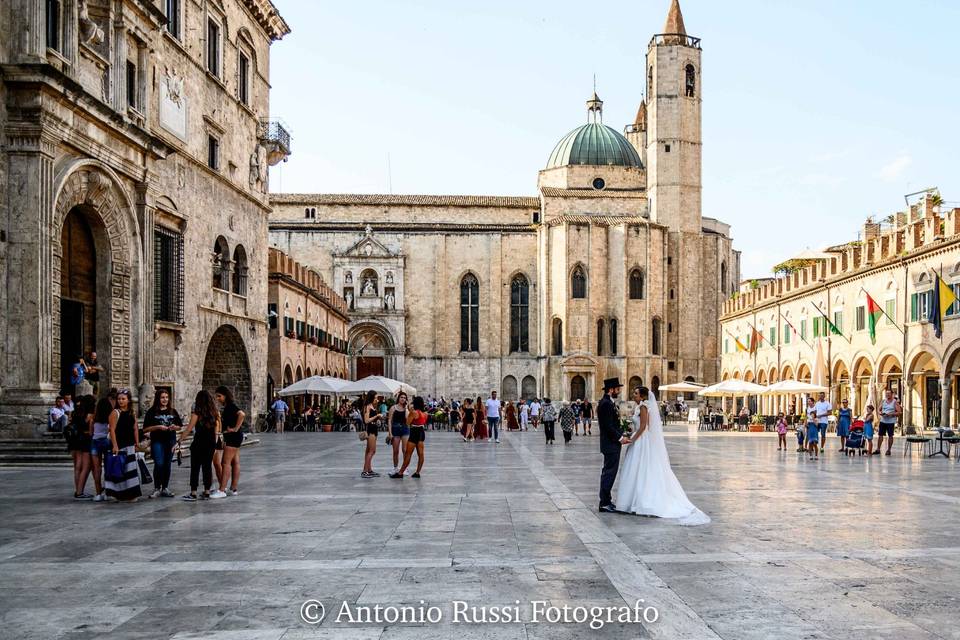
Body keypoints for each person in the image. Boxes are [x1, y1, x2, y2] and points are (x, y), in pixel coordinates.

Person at [616, 387, 710, 525]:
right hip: (640, 439)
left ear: (642, 396)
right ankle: (634, 500)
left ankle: (640, 501)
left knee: (640, 468)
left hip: (642, 441)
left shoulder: (643, 407)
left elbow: (643, 427)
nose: (633, 395)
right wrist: (630, 432)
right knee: (638, 469)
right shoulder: (639, 407)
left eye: (636, 393)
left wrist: (632, 439)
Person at [179, 390, 221, 501]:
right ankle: (207, 491)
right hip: (210, 443)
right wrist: (214, 443)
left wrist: (180, 440)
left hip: (199, 442)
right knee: (207, 467)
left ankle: (193, 492)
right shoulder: (214, 413)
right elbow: (217, 430)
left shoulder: (197, 413)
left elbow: (189, 428)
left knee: (195, 467)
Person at [142, 388, 182, 499]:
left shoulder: (173, 411)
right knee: (159, 463)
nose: (165, 400)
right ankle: (156, 487)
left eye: (166, 397)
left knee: (167, 464)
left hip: (170, 440)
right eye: (162, 397)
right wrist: (157, 427)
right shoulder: (152, 411)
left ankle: (165, 487)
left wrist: (175, 427)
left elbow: (180, 426)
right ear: (158, 398)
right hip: (157, 441)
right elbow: (145, 429)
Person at [105, 389, 141, 502]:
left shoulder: (132, 412)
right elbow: (112, 430)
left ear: (128, 400)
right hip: (120, 444)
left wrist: (137, 442)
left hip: (130, 444)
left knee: (130, 470)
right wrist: (115, 446)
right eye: (119, 399)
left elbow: (135, 428)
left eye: (123, 399)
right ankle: (117, 493)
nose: (121, 401)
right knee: (119, 469)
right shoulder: (115, 413)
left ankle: (131, 494)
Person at [597, 378, 627, 513]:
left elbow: (613, 424)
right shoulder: (606, 404)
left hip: (611, 443)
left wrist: (623, 432)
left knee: (609, 472)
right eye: (617, 389)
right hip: (610, 444)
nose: (619, 391)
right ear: (611, 390)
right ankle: (604, 502)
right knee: (609, 473)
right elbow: (607, 426)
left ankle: (606, 500)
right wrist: (620, 438)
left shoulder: (608, 402)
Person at [217, 386, 245, 496]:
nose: (218, 398)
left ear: (225, 396)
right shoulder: (228, 407)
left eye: (219, 396)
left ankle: (222, 490)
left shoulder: (230, 406)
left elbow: (242, 414)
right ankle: (233, 488)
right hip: (235, 437)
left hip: (233, 437)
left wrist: (235, 428)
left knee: (225, 462)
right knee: (235, 462)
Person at [67, 395, 95, 500]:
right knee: (86, 467)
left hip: (75, 440)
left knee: (77, 467)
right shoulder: (90, 415)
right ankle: (79, 491)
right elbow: (91, 430)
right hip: (86, 440)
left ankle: (78, 489)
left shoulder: (75, 413)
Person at [393, 396, 427, 479]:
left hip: (414, 432)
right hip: (421, 432)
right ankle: (417, 472)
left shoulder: (414, 412)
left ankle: (400, 473)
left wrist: (409, 410)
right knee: (421, 454)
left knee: (408, 454)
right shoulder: (425, 414)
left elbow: (407, 423)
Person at [89, 397, 114, 502]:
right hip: (107, 442)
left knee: (97, 469)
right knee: (108, 468)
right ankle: (109, 492)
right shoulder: (110, 417)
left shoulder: (94, 418)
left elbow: (91, 433)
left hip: (95, 442)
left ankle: (98, 493)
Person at [361, 390, 383, 478]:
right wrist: (377, 416)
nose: (377, 399)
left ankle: (369, 470)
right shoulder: (367, 407)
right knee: (372, 451)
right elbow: (366, 420)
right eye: (375, 397)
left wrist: (377, 420)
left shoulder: (372, 406)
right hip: (370, 430)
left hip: (374, 428)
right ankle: (365, 471)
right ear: (371, 397)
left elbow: (371, 419)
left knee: (368, 451)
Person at [388, 392, 410, 475]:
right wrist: (390, 433)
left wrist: (406, 408)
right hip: (395, 429)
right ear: (398, 398)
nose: (403, 399)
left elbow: (407, 419)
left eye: (404, 398)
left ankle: (405, 468)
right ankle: (395, 468)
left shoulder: (406, 409)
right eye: (401, 397)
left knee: (405, 450)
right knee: (395, 450)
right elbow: (389, 420)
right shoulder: (393, 408)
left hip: (405, 429)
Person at [876, 389, 901, 456]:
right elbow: (878, 409)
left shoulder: (895, 402)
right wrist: (880, 413)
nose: (887, 395)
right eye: (886, 393)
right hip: (883, 420)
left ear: (892, 394)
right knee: (880, 435)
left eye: (889, 394)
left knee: (890, 436)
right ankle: (878, 449)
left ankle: (889, 450)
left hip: (890, 422)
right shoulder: (883, 401)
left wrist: (891, 414)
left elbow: (899, 412)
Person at [805, 396, 819, 461]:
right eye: (808, 401)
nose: (808, 402)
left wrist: (813, 418)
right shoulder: (807, 408)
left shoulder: (815, 408)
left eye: (809, 401)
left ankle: (816, 455)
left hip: (814, 427)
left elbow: (816, 423)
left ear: (813, 402)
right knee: (810, 442)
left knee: (815, 443)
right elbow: (806, 416)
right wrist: (806, 423)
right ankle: (810, 455)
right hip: (809, 426)